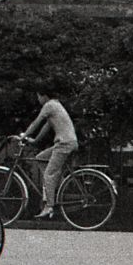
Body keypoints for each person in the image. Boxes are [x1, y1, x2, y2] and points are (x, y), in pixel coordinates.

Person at [17, 80, 80, 220]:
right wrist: (35, 141)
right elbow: (46, 127)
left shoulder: (49, 105)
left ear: (43, 95)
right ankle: (52, 186)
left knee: (48, 175)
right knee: (40, 158)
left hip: (64, 144)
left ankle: (49, 206)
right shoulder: (56, 105)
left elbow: (36, 122)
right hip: (68, 142)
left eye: (38, 96)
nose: (37, 99)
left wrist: (24, 136)